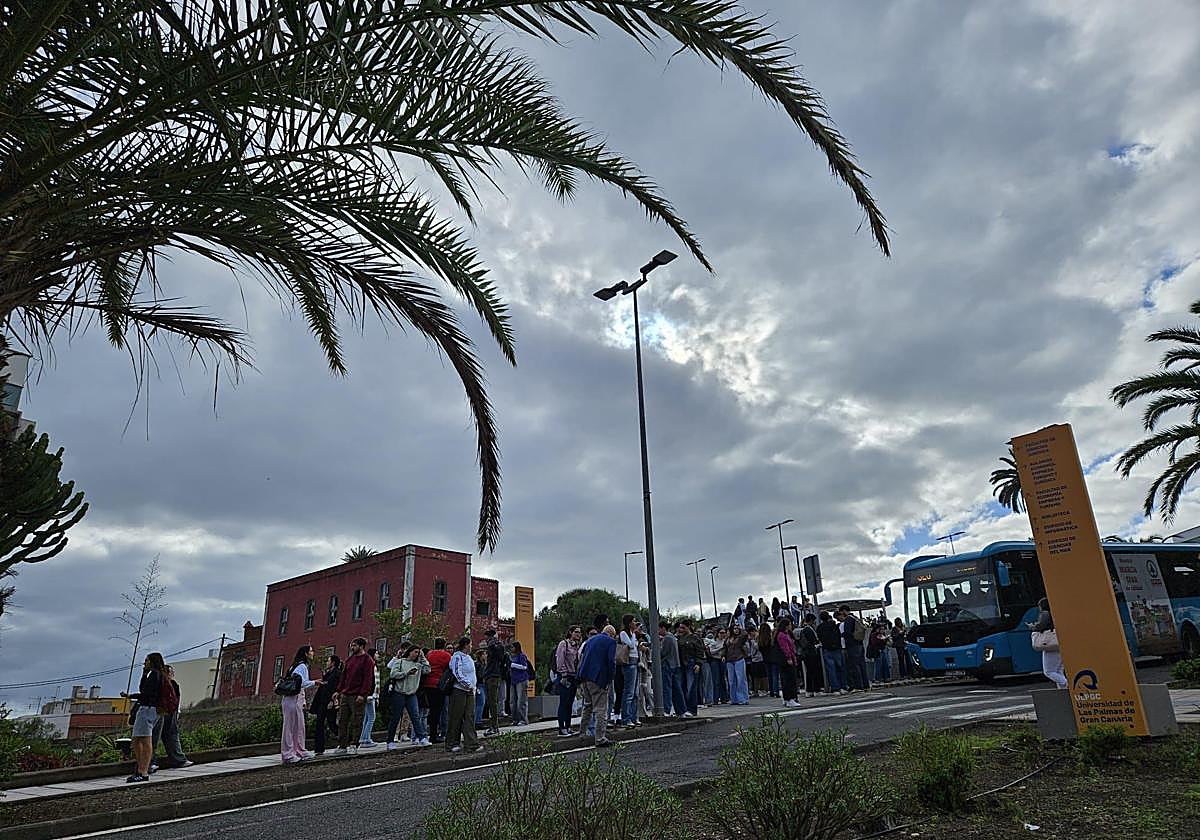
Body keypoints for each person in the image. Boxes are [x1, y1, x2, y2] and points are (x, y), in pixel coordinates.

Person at [123, 652, 174, 782]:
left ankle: (143, 771)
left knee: (145, 740)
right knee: (137, 740)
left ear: (152, 662)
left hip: (147, 709)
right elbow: (144, 691)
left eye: (146, 661)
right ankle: (141, 768)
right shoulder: (159, 675)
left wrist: (132, 696)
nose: (144, 663)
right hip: (151, 710)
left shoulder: (155, 676)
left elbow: (145, 693)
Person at [577, 624, 618, 747]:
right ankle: (600, 738)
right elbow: (611, 661)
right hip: (598, 678)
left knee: (587, 706)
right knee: (601, 709)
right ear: (611, 634)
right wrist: (609, 679)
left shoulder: (590, 640)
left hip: (584, 676)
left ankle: (582, 733)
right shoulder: (610, 642)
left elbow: (582, 657)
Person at [278, 645, 319, 763]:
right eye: (311, 651)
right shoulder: (302, 666)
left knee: (298, 726)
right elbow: (301, 683)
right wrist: (314, 682)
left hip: (293, 699)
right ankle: (288, 754)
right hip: (293, 699)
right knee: (290, 727)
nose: (313, 653)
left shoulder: (295, 666)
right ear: (306, 653)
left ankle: (298, 750)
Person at [334, 637, 375, 754]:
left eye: (355, 645)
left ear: (361, 646)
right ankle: (342, 745)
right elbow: (344, 676)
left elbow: (368, 679)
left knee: (357, 720)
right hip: (346, 693)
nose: (352, 648)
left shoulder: (367, 660)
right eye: (352, 645)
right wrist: (339, 690)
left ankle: (354, 744)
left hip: (358, 694)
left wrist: (363, 694)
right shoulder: (350, 660)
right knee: (342, 720)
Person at [387, 644, 431, 748]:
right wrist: (406, 673)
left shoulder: (419, 665)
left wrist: (423, 658)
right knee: (396, 717)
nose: (416, 654)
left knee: (415, 716)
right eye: (415, 652)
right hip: (399, 692)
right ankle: (390, 740)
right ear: (410, 652)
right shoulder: (400, 662)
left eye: (418, 653)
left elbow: (428, 670)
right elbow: (393, 674)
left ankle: (422, 737)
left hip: (412, 693)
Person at [446, 636, 483, 753]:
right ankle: (452, 743)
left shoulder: (468, 658)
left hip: (469, 691)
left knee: (469, 717)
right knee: (456, 717)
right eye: (470, 644)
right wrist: (467, 684)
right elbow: (457, 672)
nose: (471, 647)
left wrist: (473, 687)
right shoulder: (457, 657)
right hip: (459, 690)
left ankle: (471, 743)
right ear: (466, 645)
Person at [150, 665, 191, 769]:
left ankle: (154, 761)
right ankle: (176, 760)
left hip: (166, 712)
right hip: (165, 712)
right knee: (164, 736)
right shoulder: (167, 684)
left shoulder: (167, 684)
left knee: (160, 737)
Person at [554, 626, 582, 736]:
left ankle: (568, 726)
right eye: (576, 632)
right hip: (565, 676)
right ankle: (562, 728)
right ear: (570, 632)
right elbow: (560, 660)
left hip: (574, 676)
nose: (578, 634)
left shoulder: (577, 646)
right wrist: (563, 674)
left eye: (579, 632)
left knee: (570, 703)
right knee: (564, 702)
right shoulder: (564, 644)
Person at [311, 653, 341, 755]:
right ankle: (319, 748)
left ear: (333, 663)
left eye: (328, 661)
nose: (327, 663)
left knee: (332, 723)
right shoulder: (327, 674)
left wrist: (332, 701)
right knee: (320, 723)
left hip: (329, 703)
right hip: (322, 702)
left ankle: (345, 739)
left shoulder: (337, 674)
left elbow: (335, 689)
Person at [1034, 598, 1067, 688]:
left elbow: (1041, 625)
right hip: (1057, 642)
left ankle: (1066, 684)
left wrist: (1033, 627)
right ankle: (1063, 689)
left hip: (1049, 644)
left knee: (1049, 671)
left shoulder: (1045, 613)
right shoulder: (1055, 612)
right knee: (1058, 670)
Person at [423, 639, 451, 744]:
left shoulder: (429, 654)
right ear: (444, 645)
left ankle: (430, 733)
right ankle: (435, 735)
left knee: (430, 710)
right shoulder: (446, 655)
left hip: (427, 683)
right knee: (438, 710)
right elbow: (451, 667)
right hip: (439, 684)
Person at [482, 629, 508, 736]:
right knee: (491, 702)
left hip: (493, 676)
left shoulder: (495, 646)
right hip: (490, 675)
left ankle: (494, 726)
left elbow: (500, 658)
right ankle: (493, 725)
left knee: (493, 702)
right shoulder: (495, 646)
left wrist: (493, 646)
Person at [676, 621, 705, 716]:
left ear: (688, 627)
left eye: (683, 628)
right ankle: (684, 708)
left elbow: (700, 651)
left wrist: (698, 663)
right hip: (681, 664)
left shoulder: (695, 638)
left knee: (691, 687)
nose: (681, 630)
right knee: (682, 687)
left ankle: (692, 709)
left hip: (691, 663)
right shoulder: (679, 638)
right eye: (680, 627)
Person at [618, 614, 641, 727]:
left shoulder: (632, 634)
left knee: (636, 693)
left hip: (636, 661)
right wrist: (634, 635)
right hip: (629, 662)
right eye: (633, 621)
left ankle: (634, 717)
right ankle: (626, 718)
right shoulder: (624, 633)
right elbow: (631, 645)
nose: (635, 623)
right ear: (629, 623)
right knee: (629, 692)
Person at [658, 621, 686, 716]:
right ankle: (681, 710)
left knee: (667, 689)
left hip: (667, 665)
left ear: (663, 628)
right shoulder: (672, 637)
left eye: (659, 629)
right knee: (676, 689)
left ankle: (666, 709)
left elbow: (662, 653)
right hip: (675, 665)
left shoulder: (667, 638)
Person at [841, 606, 870, 692]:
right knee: (862, 665)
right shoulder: (856, 618)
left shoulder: (848, 620)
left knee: (854, 666)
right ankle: (866, 685)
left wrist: (842, 635)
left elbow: (847, 633)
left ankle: (858, 686)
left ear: (844, 611)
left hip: (852, 645)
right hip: (859, 644)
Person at [817, 611, 846, 694]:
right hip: (837, 648)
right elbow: (838, 635)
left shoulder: (820, 627)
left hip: (827, 649)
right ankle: (843, 686)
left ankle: (835, 688)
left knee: (831, 670)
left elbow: (819, 638)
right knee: (840, 668)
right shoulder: (834, 625)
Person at [358, 648, 382, 748]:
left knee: (367, 717)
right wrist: (370, 695)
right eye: (376, 653)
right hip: (370, 695)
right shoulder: (371, 665)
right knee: (371, 717)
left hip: (372, 695)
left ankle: (363, 738)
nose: (378, 655)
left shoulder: (373, 665)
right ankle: (365, 739)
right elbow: (371, 681)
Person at [774, 617, 800, 707]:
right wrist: (789, 658)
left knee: (787, 679)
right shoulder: (782, 635)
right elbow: (785, 648)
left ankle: (787, 699)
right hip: (787, 660)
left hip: (787, 659)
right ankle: (790, 698)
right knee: (789, 679)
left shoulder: (784, 634)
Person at [798, 614, 825, 697]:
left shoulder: (805, 629)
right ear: (810, 620)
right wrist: (816, 645)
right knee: (813, 671)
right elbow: (811, 642)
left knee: (810, 672)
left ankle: (810, 690)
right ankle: (815, 689)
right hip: (810, 653)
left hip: (807, 653)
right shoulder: (808, 630)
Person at [723, 625, 750, 704]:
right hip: (729, 660)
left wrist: (741, 628)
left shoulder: (740, 638)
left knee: (741, 679)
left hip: (739, 658)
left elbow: (745, 635)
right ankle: (734, 699)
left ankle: (743, 699)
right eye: (734, 629)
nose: (736, 630)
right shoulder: (727, 639)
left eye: (737, 629)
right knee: (731, 680)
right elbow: (725, 648)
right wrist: (723, 656)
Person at [509, 641, 532, 725]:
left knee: (521, 701)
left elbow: (524, 666)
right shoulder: (511, 657)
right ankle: (515, 719)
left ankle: (523, 719)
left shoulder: (521, 656)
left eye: (512, 647)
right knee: (512, 701)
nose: (511, 649)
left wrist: (512, 665)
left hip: (521, 680)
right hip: (513, 680)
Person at [705, 629, 729, 705]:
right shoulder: (713, 641)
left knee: (723, 679)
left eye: (724, 633)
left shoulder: (725, 641)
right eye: (721, 633)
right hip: (715, 660)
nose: (723, 634)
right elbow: (711, 652)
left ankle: (724, 698)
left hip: (722, 660)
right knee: (716, 680)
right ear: (717, 634)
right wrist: (720, 648)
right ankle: (715, 698)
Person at [759, 622, 781, 698]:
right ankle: (776, 691)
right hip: (774, 658)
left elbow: (760, 649)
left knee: (769, 676)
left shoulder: (760, 640)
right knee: (775, 675)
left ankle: (771, 691)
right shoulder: (771, 638)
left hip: (766, 659)